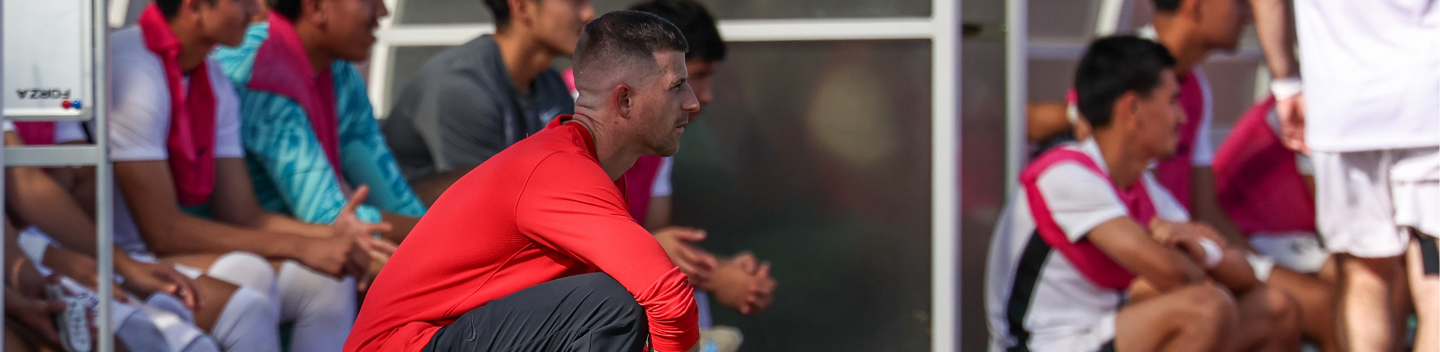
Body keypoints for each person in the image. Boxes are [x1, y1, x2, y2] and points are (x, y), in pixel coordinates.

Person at [346, 11, 702, 352]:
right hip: (409, 344)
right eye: (677, 86)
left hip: (443, 337)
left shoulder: (588, 170)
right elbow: (667, 294)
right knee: (615, 302)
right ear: (624, 100)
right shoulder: (559, 171)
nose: (693, 103)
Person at [985, 36, 1300, 352]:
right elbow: (1175, 275)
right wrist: (1196, 254)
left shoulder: (1144, 188)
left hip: (1102, 333)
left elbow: (1244, 276)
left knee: (1276, 310)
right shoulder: (1065, 174)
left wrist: (1205, 252)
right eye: (1172, 101)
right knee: (1205, 309)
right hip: (1047, 345)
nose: (1182, 117)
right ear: (1133, 108)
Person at [108, 0, 386, 351]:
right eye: (242, 1)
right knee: (247, 297)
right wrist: (303, 245)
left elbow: (243, 214)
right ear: (194, 7)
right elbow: (163, 232)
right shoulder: (135, 69)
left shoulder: (210, 75)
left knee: (326, 281)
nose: (258, 11)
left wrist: (333, 236)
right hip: (110, 258)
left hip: (155, 254)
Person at [1251, 0, 1440, 350]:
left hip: (1341, 105)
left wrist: (1286, 81)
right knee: (1436, 287)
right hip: (1427, 100)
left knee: (1364, 274)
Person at [213, 0, 423, 246]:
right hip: (227, 252)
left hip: (292, 250)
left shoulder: (338, 70)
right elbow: (327, 217)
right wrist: (441, 233)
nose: (383, 12)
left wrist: (438, 234)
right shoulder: (263, 70)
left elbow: (394, 198)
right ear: (316, 8)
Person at [382, 0, 593, 205]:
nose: (589, 14)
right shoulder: (461, 84)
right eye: (575, 1)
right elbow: (484, 204)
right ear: (521, 6)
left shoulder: (552, 84)